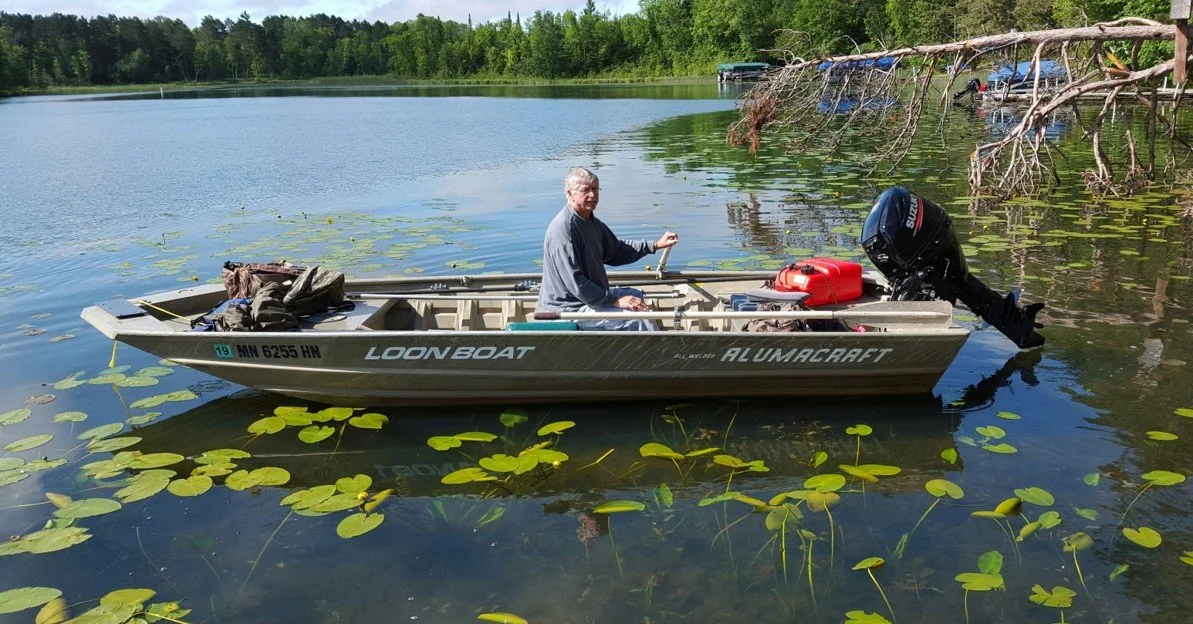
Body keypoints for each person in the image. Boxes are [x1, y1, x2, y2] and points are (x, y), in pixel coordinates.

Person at [537, 167, 679, 331]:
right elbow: (577, 284)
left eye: (596, 189)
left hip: (588, 298)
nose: (593, 195)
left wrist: (655, 245)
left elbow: (617, 251)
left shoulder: (591, 222)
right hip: (570, 308)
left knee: (637, 296)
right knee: (637, 320)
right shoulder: (563, 231)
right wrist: (613, 300)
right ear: (569, 194)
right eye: (586, 190)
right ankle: (656, 352)